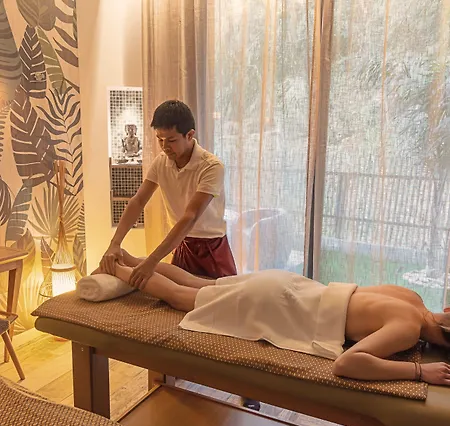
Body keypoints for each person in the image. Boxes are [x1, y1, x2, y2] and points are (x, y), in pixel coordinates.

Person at [94, 252, 450, 386]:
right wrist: (419, 372)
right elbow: (347, 364)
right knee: (182, 297)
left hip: (290, 284)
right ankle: (117, 270)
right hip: (279, 305)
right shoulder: (408, 328)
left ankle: (130, 258)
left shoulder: (412, 298)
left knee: (200, 284)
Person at [100, 100, 237, 288]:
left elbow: (190, 216)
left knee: (220, 297)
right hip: (181, 244)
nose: (164, 146)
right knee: (173, 299)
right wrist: (115, 244)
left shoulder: (211, 166)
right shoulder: (161, 162)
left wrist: (152, 260)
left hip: (211, 248)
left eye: (171, 140)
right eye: (160, 139)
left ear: (189, 135)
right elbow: (138, 201)